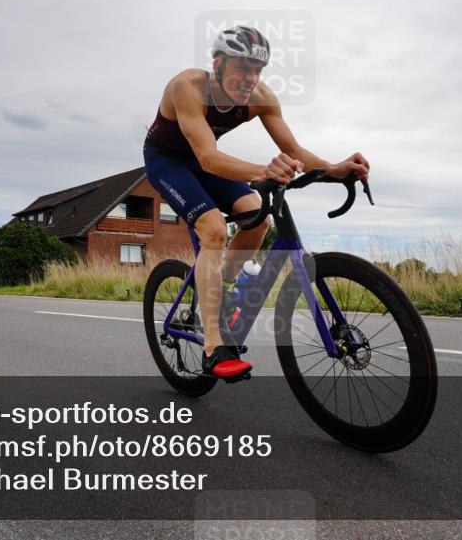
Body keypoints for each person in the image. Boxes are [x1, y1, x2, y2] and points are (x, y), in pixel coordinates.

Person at [143, 25, 370, 380]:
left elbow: (294, 150)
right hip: (168, 162)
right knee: (213, 229)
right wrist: (266, 170)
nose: (251, 78)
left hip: (206, 162)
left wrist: (334, 169)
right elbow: (207, 158)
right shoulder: (187, 87)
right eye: (243, 68)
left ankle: (220, 291)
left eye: (258, 70)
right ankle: (213, 346)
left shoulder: (261, 97)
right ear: (218, 64)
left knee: (258, 218)